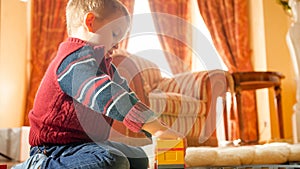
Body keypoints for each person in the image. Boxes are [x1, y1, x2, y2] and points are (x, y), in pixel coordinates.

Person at [13, 0, 185, 169]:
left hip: (85, 145)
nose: (117, 45)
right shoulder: (72, 61)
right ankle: (37, 166)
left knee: (139, 158)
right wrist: (156, 129)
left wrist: (161, 129)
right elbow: (109, 96)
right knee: (112, 161)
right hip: (53, 150)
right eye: (115, 34)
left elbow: (127, 95)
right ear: (90, 22)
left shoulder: (105, 65)